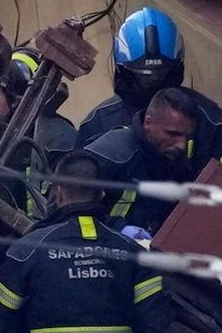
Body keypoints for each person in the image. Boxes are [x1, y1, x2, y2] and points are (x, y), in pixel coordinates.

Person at [0, 152, 168, 333]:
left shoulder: (28, 250)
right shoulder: (132, 252)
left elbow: (1, 320)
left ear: (59, 193)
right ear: (102, 194)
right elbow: (156, 323)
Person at [77, 7, 222, 173]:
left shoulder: (213, 123)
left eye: (161, 74)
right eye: (143, 77)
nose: (153, 83)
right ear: (123, 71)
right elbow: (74, 189)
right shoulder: (98, 123)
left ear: (176, 69)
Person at [84, 87, 203, 235]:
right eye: (173, 133)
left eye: (188, 136)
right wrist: (118, 229)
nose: (182, 145)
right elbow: (71, 212)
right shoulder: (110, 155)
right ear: (148, 123)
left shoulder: (176, 161)